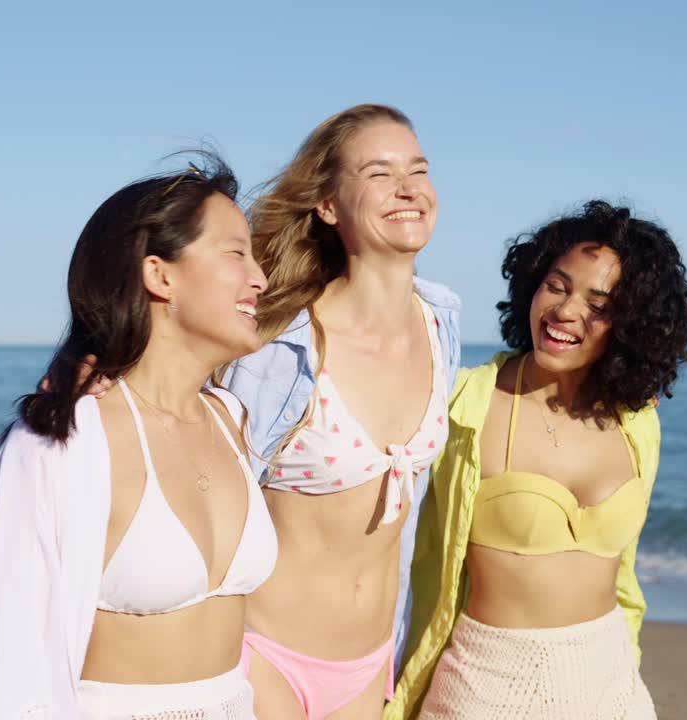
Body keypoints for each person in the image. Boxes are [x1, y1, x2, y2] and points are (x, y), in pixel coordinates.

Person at [0, 155, 278, 719]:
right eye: (236, 253)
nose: (259, 277)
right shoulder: (67, 436)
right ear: (160, 274)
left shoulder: (230, 417)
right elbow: (6, 652)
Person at [388, 201, 687, 719]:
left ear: (632, 324)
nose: (565, 311)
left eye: (599, 304)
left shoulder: (637, 420)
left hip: (613, 682)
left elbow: (624, 574)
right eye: (557, 285)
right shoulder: (462, 403)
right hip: (488, 687)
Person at [225, 104, 462, 719]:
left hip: (370, 666)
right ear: (328, 205)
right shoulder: (281, 342)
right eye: (379, 173)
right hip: (261, 654)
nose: (408, 188)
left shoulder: (441, 325)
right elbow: (191, 448)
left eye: (418, 169)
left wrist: (617, 380)